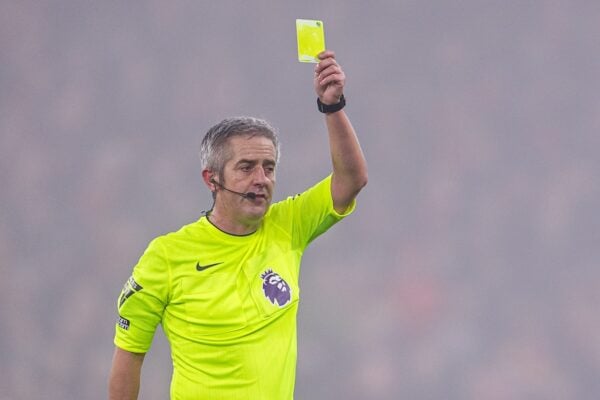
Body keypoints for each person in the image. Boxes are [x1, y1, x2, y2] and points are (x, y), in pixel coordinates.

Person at [108, 50, 367, 400]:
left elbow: (352, 179)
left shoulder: (288, 225)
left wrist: (332, 107)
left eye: (269, 167)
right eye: (246, 167)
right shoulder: (166, 256)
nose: (261, 179)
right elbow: (129, 357)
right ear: (212, 179)